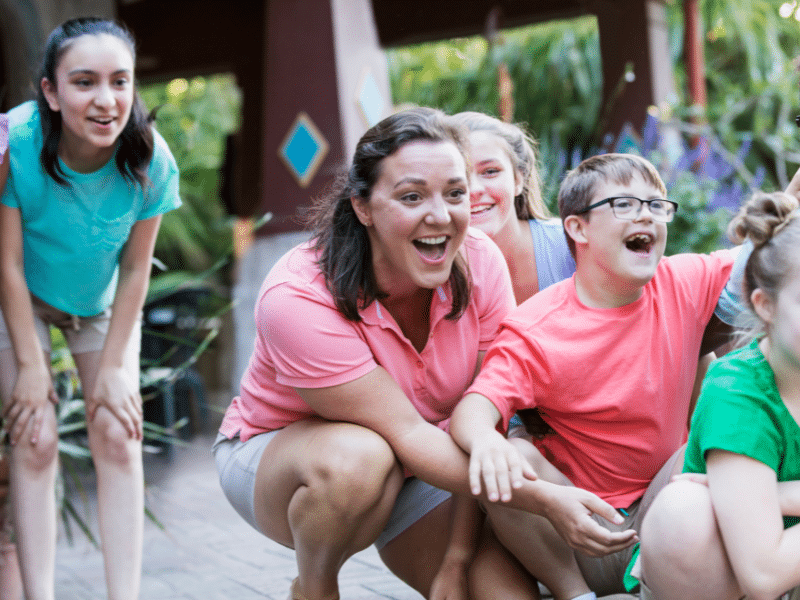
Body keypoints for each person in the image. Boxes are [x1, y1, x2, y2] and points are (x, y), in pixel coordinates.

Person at [213, 107, 620, 600]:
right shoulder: (298, 297)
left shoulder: (479, 260)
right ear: (363, 207)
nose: (440, 215)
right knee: (361, 459)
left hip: (424, 462)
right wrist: (546, 499)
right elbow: (404, 432)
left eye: (455, 193)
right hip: (290, 461)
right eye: (411, 196)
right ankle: (315, 587)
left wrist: (457, 556)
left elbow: (483, 422)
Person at [450, 153, 749, 600]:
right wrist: (487, 441)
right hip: (580, 529)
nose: (646, 215)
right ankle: (576, 596)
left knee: (720, 430)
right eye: (624, 204)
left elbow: (766, 253)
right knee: (511, 457)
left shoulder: (682, 280)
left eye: (656, 204)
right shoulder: (538, 328)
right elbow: (472, 411)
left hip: (669, 510)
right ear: (578, 228)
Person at [0, 17, 181, 600]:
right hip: (18, 298)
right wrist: (33, 367)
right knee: (34, 435)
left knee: (117, 430)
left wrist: (113, 370)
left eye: (119, 81)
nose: (106, 100)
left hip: (96, 305)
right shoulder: (15, 143)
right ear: (51, 92)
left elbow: (136, 270)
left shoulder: (151, 160)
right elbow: (6, 264)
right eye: (84, 82)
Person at [638, 192, 800, 600]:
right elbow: (763, 575)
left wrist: (778, 496)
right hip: (729, 573)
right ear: (766, 305)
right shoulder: (738, 391)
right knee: (684, 512)